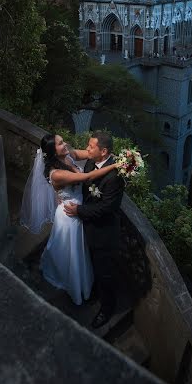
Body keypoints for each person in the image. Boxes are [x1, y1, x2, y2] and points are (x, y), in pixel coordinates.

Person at [21, 133, 119, 306]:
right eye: (60, 143)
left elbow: (90, 154)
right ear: (53, 151)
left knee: (79, 250)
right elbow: (87, 177)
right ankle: (74, 283)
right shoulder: (57, 173)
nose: (65, 144)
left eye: (62, 141)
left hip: (79, 208)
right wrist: (116, 166)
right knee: (72, 252)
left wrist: (112, 157)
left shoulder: (69, 155)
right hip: (69, 214)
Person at [64, 131, 124, 329]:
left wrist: (79, 210)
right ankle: (96, 293)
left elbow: (107, 207)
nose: (87, 149)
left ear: (104, 151)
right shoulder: (91, 162)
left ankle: (107, 309)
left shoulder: (115, 176)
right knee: (95, 267)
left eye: (91, 147)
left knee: (106, 272)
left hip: (104, 233)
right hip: (89, 227)